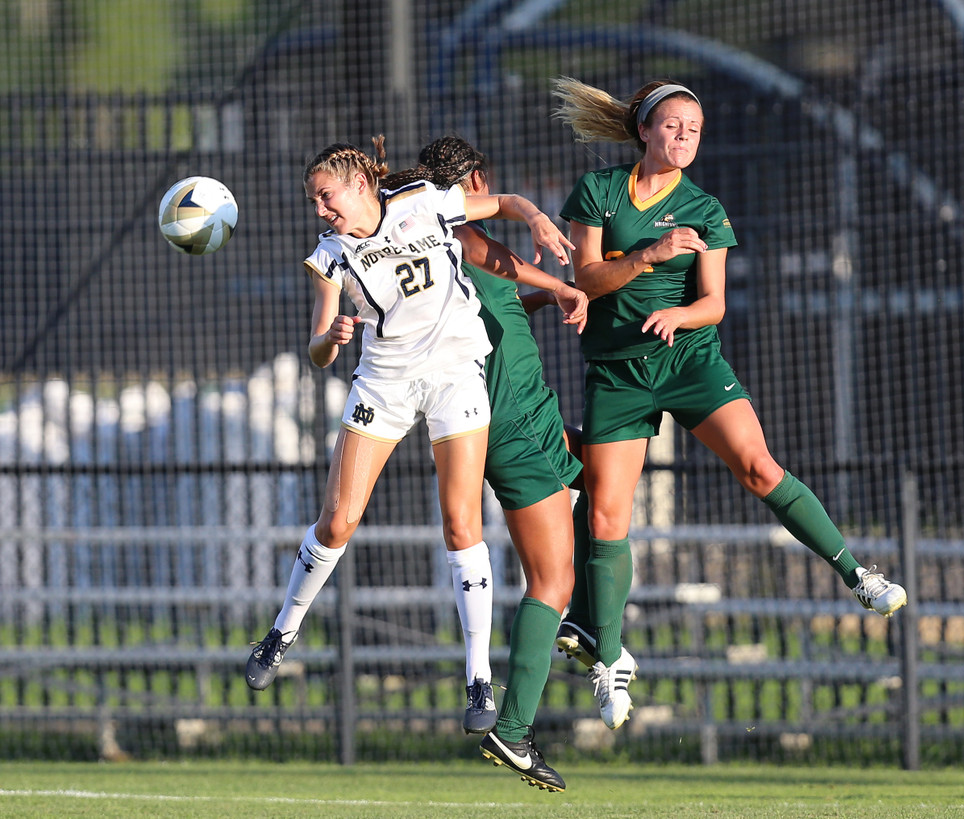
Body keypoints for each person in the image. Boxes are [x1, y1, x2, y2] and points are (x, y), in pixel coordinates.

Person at [550, 77, 908, 730]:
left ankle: (857, 574)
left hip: (689, 360)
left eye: (695, 129)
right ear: (645, 131)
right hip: (619, 372)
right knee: (606, 513)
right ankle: (607, 655)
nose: (684, 137)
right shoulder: (598, 191)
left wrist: (682, 315)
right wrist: (651, 254)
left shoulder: (705, 209)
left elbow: (712, 301)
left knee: (758, 466)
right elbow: (586, 279)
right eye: (673, 126)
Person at [245, 137, 584, 753]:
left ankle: (479, 681)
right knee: (339, 521)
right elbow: (317, 350)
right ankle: (281, 632)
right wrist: (334, 336)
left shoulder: (423, 199)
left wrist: (534, 215)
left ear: (358, 184)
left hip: (457, 375)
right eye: (313, 200)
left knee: (462, 526)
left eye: (326, 196)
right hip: (386, 383)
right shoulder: (331, 253)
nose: (320, 209)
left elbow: (498, 202)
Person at [387, 135, 586, 792]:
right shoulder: (458, 235)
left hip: (506, 422)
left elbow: (493, 293)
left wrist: (547, 292)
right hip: (515, 423)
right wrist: (557, 278)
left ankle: (586, 626)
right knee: (549, 580)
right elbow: (488, 253)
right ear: (475, 180)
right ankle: (518, 727)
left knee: (594, 480)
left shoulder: (430, 250)